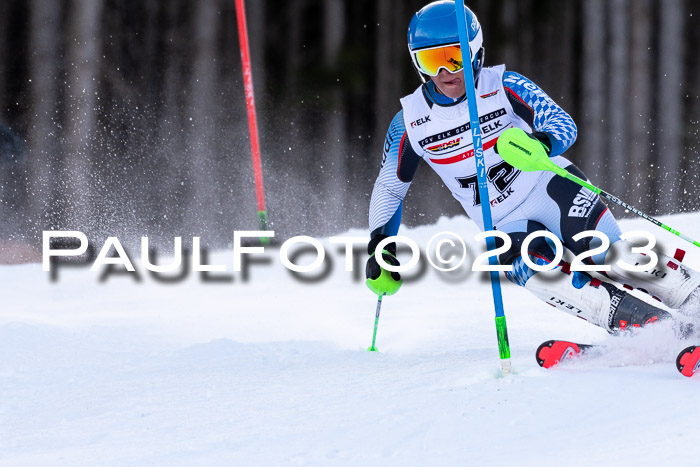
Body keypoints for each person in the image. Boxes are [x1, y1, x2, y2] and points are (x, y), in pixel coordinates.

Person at [365, 0, 700, 335]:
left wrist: (540, 144)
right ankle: (653, 331)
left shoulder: (504, 86)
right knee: (541, 275)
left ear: (475, 50)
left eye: (453, 57)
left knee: (611, 257)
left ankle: (692, 297)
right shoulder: (409, 122)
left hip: (552, 188)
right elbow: (389, 187)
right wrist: (381, 246)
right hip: (501, 221)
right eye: (431, 60)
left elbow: (561, 123)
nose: (444, 72)